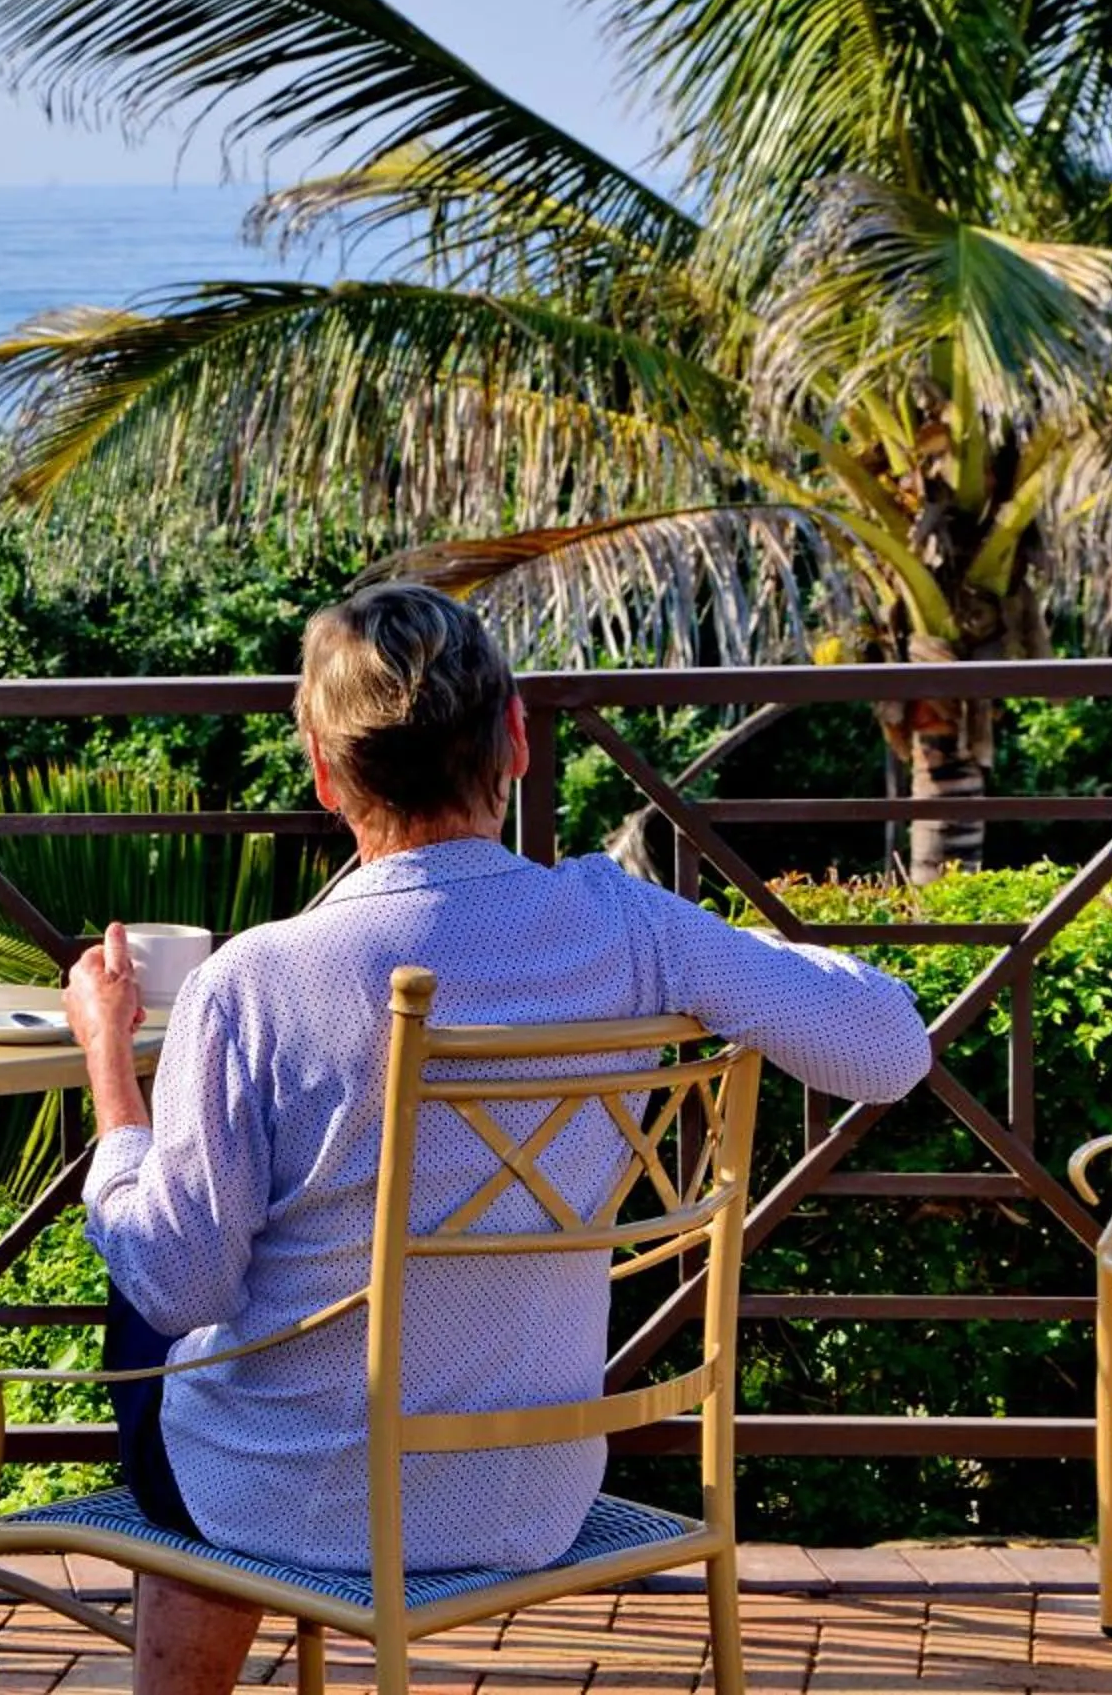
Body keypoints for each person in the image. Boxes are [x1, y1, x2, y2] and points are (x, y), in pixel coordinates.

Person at [63, 585, 931, 1695]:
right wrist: (727, 957)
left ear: (327, 777)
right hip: (536, 1488)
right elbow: (891, 1048)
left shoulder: (257, 981)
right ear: (515, 738)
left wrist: (112, 1071)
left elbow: (181, 1285)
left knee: (149, 1272)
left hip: (294, 1496)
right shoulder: (628, 926)